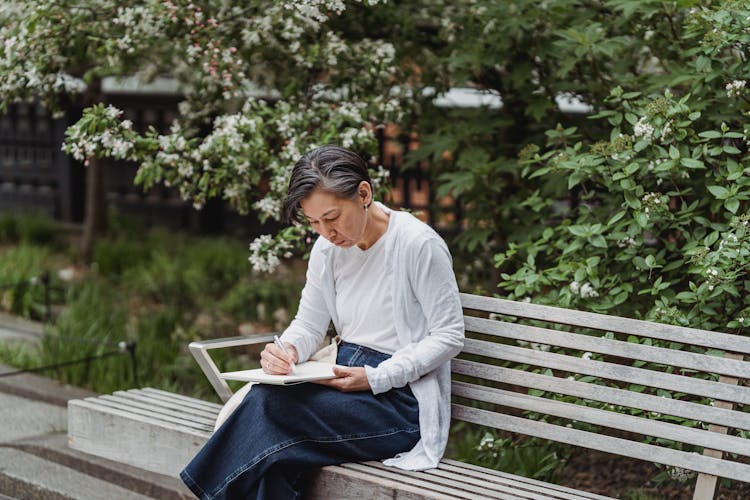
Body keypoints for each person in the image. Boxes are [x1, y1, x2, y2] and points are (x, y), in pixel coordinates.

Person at [180, 144, 465, 499]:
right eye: (314, 222)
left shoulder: (417, 244)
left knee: (267, 408)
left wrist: (378, 377)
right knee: (269, 455)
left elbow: (450, 335)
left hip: (400, 402)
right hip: (342, 383)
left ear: (363, 193)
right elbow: (309, 325)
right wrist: (286, 351)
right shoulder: (328, 250)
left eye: (331, 217)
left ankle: (200, 492)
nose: (326, 232)